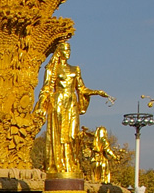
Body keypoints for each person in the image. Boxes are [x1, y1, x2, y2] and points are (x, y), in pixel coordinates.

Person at [33, 41, 113, 176]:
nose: (68, 52)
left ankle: (72, 163)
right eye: (65, 49)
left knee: (72, 136)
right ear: (59, 51)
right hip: (58, 102)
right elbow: (46, 88)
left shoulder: (75, 69)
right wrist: (41, 105)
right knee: (59, 136)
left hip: (71, 103)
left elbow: (81, 89)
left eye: (69, 49)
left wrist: (97, 92)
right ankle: (60, 165)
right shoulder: (52, 69)